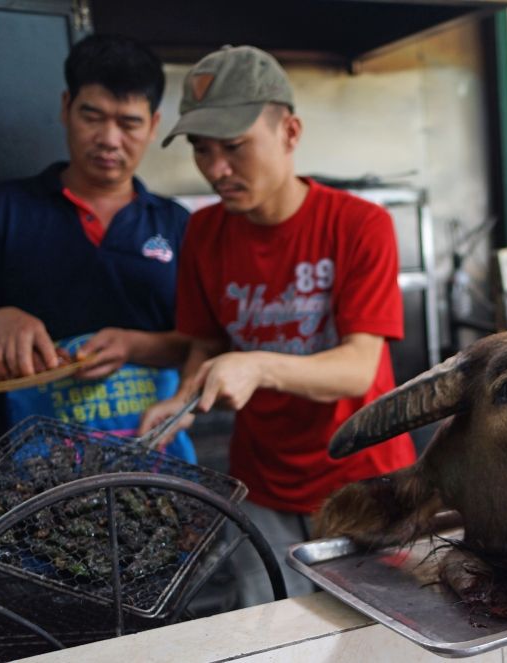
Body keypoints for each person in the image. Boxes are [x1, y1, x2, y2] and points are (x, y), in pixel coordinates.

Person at [141, 45, 416, 604]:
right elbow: (207, 344)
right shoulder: (204, 233)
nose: (216, 169)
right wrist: (186, 399)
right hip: (259, 487)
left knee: (384, 633)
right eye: (202, 149)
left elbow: (357, 369)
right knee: (274, 638)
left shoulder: (359, 225)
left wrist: (256, 365)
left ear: (290, 132)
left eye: (235, 147)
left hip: (364, 483)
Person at [0, 34, 195, 462]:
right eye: (92, 116)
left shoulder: (176, 223)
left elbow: (201, 343)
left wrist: (134, 346)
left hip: (155, 459)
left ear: (153, 126)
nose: (109, 139)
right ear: (65, 108)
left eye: (129, 123)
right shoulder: (6, 208)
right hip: (37, 468)